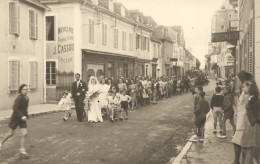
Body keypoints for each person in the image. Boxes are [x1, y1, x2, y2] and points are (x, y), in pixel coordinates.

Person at [0, 84, 30, 159]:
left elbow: (24, 109)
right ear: (21, 90)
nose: (25, 91)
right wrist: (21, 116)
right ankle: (0, 143)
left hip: (22, 119)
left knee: (25, 133)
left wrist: (26, 115)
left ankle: (22, 151)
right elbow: (15, 108)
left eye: (26, 89)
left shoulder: (26, 98)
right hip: (16, 118)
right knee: (10, 133)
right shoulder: (19, 98)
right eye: (24, 89)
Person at [232, 71, 252, 164]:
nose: (239, 83)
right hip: (240, 119)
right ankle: (238, 161)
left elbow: (248, 106)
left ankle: (237, 161)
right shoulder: (244, 91)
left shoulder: (247, 92)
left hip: (244, 120)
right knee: (239, 141)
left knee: (238, 141)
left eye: (240, 80)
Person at [241, 80, 260, 164]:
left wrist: (252, 121)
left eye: (245, 86)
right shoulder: (251, 97)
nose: (243, 89)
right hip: (250, 125)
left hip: (252, 126)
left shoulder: (253, 98)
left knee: (249, 149)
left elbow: (257, 112)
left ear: (250, 87)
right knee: (248, 150)